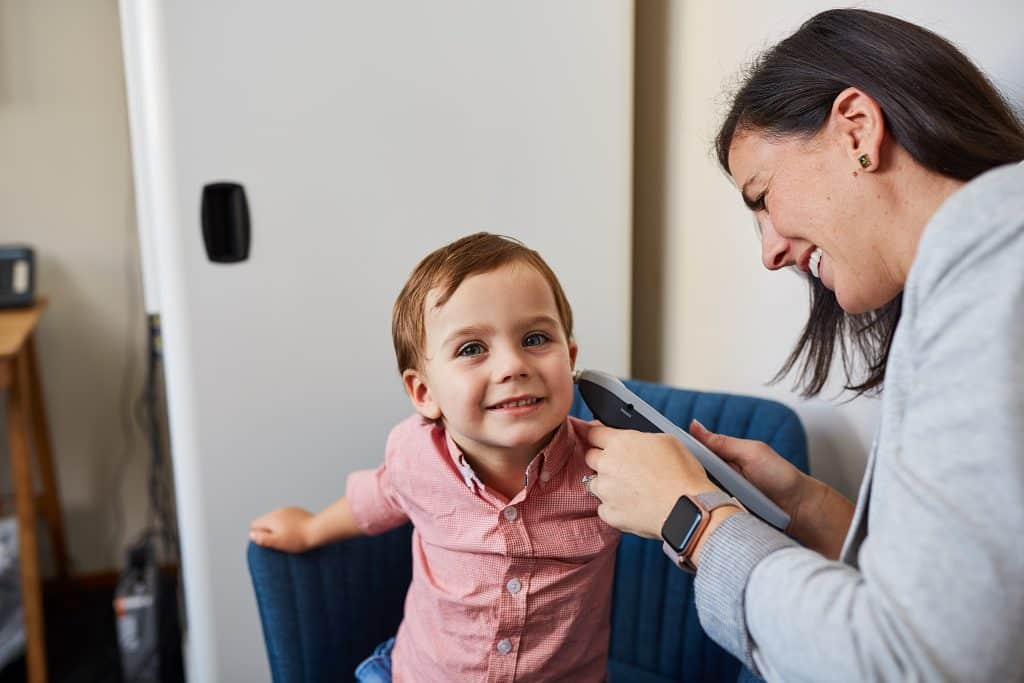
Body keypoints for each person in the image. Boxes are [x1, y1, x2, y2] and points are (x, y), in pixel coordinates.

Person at [582, 9, 1024, 682]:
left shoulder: (994, 278)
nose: (770, 252)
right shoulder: (978, 276)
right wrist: (808, 505)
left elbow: (909, 662)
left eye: (762, 197)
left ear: (856, 129)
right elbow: (966, 592)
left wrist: (694, 521)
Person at [249, 233, 619, 682]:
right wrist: (309, 530)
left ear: (570, 357)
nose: (512, 366)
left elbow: (683, 516)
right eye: (471, 349)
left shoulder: (611, 466)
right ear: (424, 393)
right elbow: (376, 500)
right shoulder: (416, 457)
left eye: (535, 338)